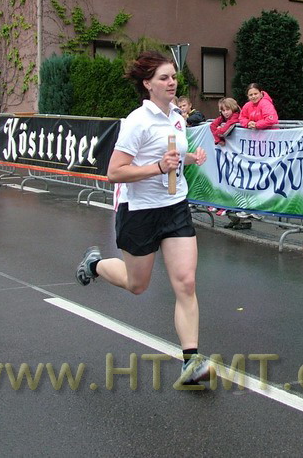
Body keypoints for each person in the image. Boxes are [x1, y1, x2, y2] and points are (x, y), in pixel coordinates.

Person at [76, 51, 211, 385]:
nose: (171, 82)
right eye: (164, 78)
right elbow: (115, 172)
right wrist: (158, 168)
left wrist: (188, 159)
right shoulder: (137, 121)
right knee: (137, 285)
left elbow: (173, 157)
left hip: (175, 207)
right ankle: (95, 264)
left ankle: (191, 361)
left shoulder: (177, 117)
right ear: (148, 84)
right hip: (139, 211)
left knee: (186, 282)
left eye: (174, 77)